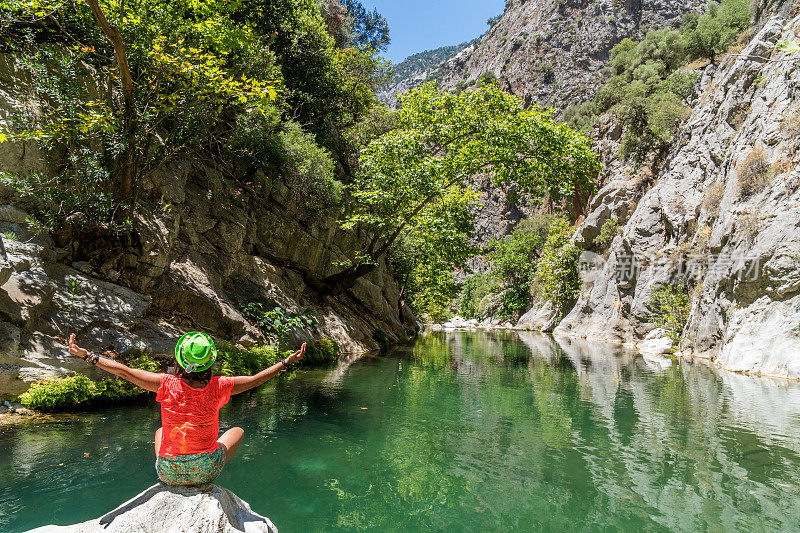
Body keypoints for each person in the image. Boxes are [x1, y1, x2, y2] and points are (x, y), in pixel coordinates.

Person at [67, 331, 305, 486]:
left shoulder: (165, 383)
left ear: (180, 360)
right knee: (238, 431)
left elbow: (125, 372)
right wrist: (285, 362)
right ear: (210, 361)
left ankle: (176, 467)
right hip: (205, 470)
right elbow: (255, 379)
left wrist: (88, 355)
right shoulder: (220, 386)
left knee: (160, 431)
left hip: (168, 473)